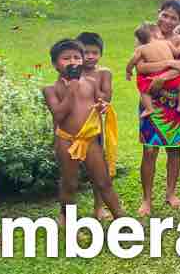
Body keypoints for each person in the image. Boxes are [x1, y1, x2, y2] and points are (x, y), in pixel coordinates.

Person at [42, 39, 122, 226]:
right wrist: (71, 89)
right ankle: (69, 222)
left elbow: (99, 103)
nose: (73, 62)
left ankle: (122, 219)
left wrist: (102, 106)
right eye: (66, 58)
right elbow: (59, 115)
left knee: (104, 182)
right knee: (70, 184)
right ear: (55, 64)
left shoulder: (91, 83)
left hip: (90, 140)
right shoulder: (51, 90)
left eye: (77, 57)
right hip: (67, 141)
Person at [137, 0, 180, 216]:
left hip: (175, 98)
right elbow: (140, 65)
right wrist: (170, 64)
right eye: (165, 15)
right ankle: (146, 199)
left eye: (174, 18)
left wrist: (161, 78)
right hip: (150, 99)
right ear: (158, 12)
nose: (168, 21)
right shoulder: (146, 34)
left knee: (174, 148)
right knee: (150, 150)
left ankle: (170, 193)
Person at [75, 32, 115, 220]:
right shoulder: (72, 71)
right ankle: (66, 213)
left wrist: (91, 84)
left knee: (99, 171)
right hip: (73, 128)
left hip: (94, 128)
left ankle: (99, 207)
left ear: (100, 53)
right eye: (85, 53)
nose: (90, 56)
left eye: (94, 52)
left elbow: (106, 99)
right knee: (70, 171)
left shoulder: (104, 73)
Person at [127, 23, 180, 118]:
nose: (162, 35)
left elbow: (133, 60)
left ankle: (149, 108)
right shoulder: (166, 42)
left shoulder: (141, 49)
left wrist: (128, 70)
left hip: (153, 77)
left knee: (144, 91)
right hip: (171, 75)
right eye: (160, 33)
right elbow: (177, 51)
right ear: (155, 34)